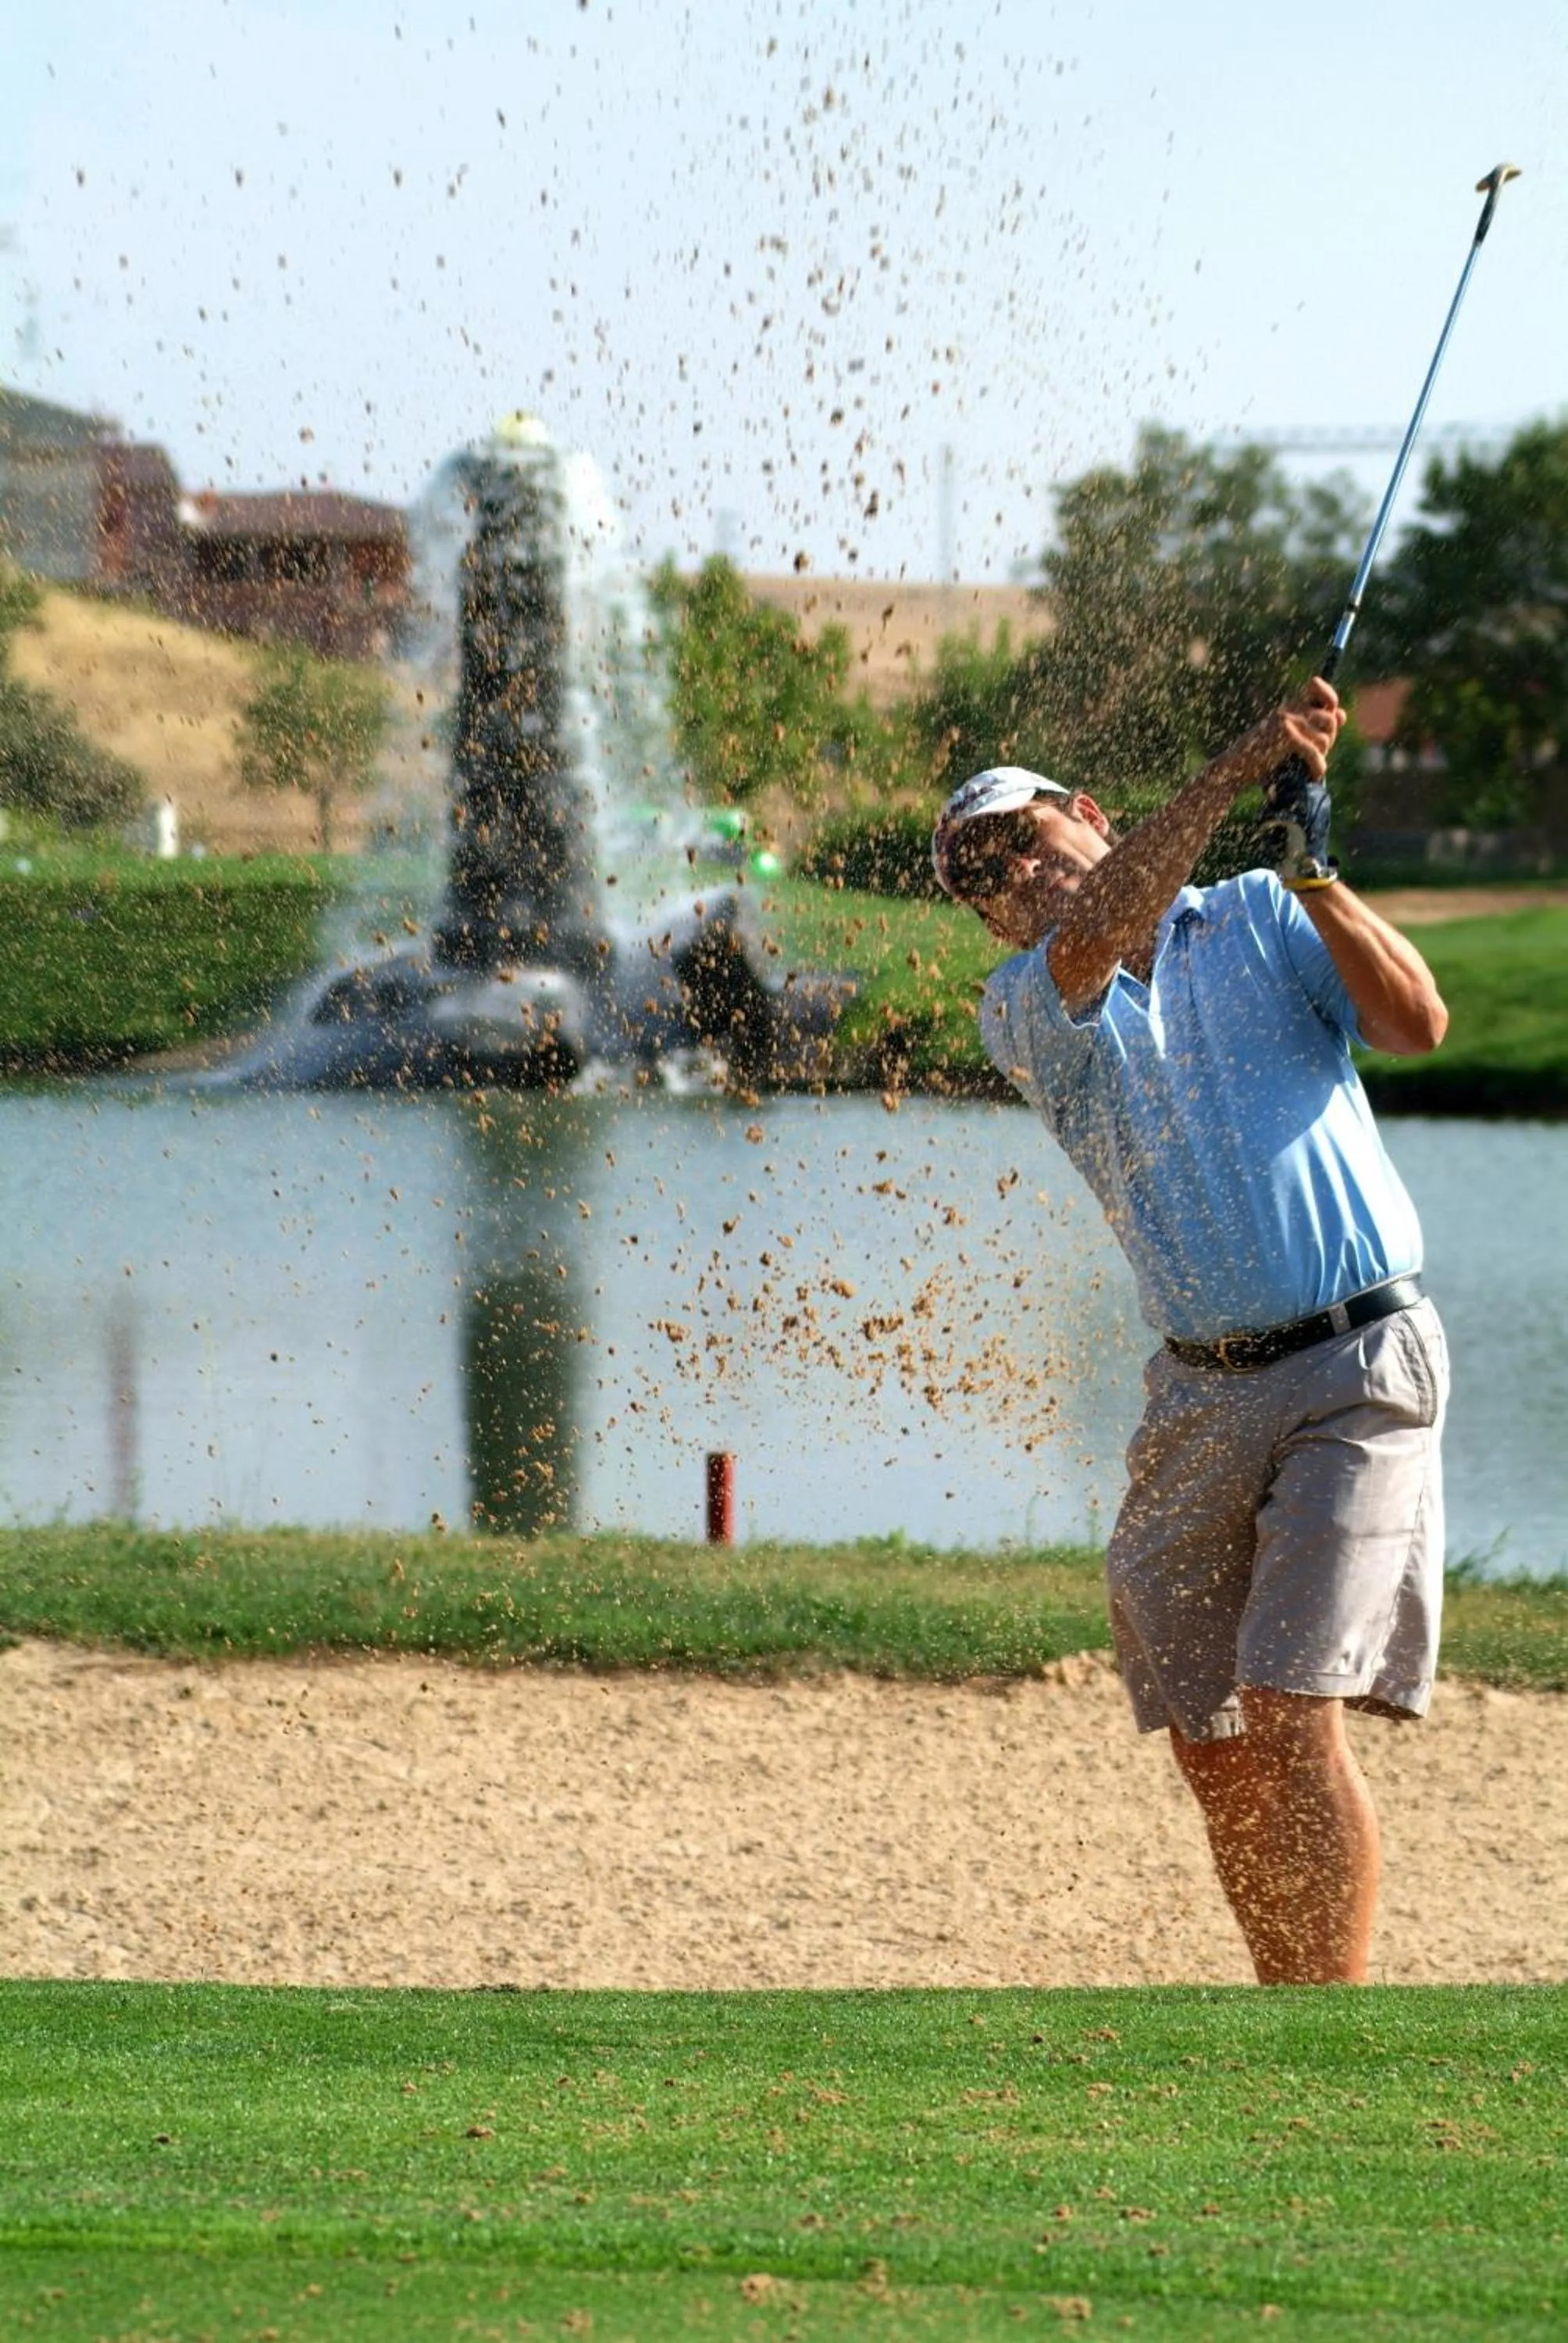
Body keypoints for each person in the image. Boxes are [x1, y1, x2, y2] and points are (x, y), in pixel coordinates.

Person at [931, 679, 1449, 1985]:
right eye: (985, 879)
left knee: (1286, 1705)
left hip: (1358, 1367)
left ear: (1089, 814)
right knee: (1212, 1741)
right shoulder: (1027, 1004)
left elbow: (1416, 1025)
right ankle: (1286, 2010)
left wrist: (1318, 877)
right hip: (1198, 1400)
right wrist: (1235, 766)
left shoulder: (1266, 915)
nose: (1015, 879)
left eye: (1023, 842)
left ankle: (1328, 2032)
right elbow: (1101, 927)